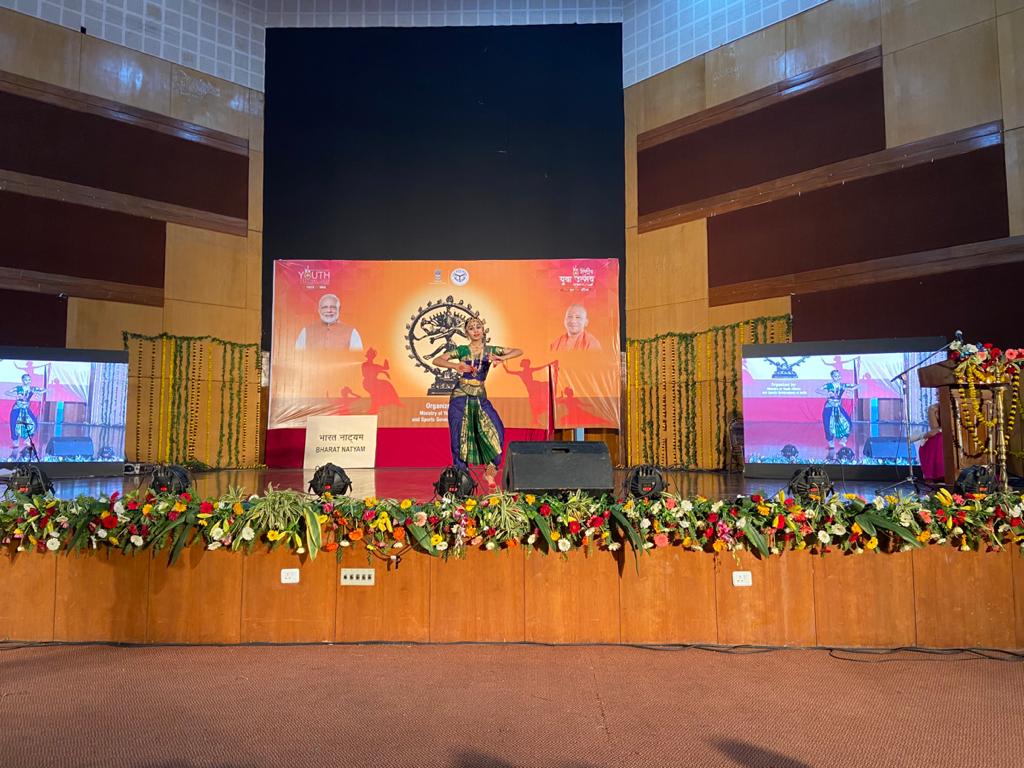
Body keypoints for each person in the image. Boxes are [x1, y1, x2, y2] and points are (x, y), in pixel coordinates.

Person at [433, 318, 522, 488]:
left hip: (480, 397)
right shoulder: (462, 350)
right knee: (458, 439)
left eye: (478, 327)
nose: (475, 330)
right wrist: (455, 366)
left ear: (483, 330)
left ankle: (490, 469)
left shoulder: (490, 351)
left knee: (497, 430)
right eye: (471, 328)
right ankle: (462, 481)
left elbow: (518, 351)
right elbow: (437, 360)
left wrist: (501, 358)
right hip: (460, 396)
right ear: (466, 332)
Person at [295, 293, 363, 351]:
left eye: (333, 307)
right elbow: (298, 356)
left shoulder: (352, 332)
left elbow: (357, 357)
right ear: (319, 310)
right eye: (325, 307)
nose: (329, 310)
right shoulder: (306, 331)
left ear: (339, 309)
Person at [816, 369, 858, 461]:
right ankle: (831, 445)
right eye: (835, 376)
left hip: (838, 407)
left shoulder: (843, 385)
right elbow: (817, 390)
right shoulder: (828, 385)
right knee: (828, 426)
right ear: (832, 377)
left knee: (848, 422)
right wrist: (827, 393)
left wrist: (850, 389)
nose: (838, 377)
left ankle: (844, 439)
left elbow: (857, 385)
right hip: (829, 408)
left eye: (839, 376)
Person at [7, 374, 46, 458]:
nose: (28, 381)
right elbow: (6, 392)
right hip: (17, 409)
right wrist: (16, 396)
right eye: (26, 380)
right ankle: (15, 444)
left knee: (34, 423)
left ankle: (27, 439)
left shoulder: (32, 389)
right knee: (14, 426)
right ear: (22, 380)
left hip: (26, 409)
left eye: (29, 379)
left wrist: (39, 392)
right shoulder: (18, 388)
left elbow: (43, 390)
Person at [912, 403, 944, 482]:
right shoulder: (934, 408)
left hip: (947, 436)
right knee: (938, 438)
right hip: (939, 437)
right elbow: (934, 430)